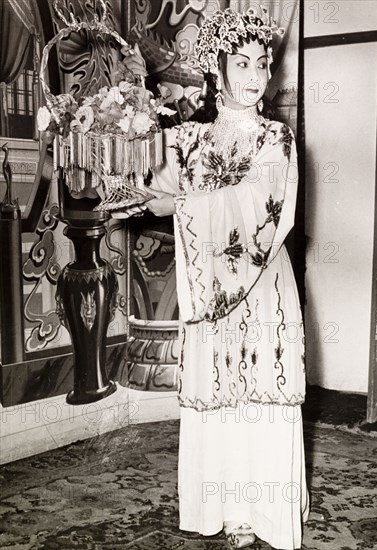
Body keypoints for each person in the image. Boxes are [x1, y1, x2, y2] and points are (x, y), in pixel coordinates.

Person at [123, 6, 309, 549]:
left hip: (264, 289)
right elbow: (148, 185)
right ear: (219, 69)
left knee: (259, 391)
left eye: (262, 65)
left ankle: (264, 511)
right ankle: (224, 508)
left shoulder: (277, 138)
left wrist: (176, 203)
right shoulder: (188, 139)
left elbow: (264, 205)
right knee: (222, 392)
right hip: (210, 295)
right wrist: (115, 132)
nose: (255, 78)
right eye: (242, 64)